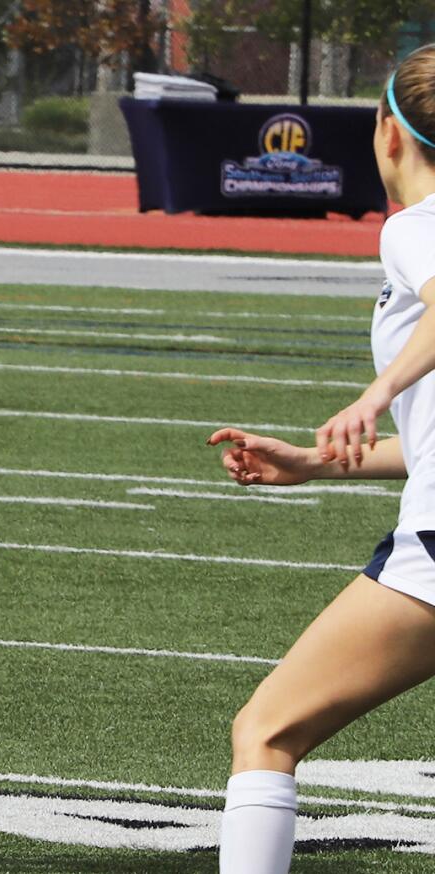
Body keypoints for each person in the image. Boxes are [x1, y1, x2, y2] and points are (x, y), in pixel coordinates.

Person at [207, 43, 435, 873]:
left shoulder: (417, 227)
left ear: (387, 131)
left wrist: (374, 395)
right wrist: (315, 462)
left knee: (267, 730)